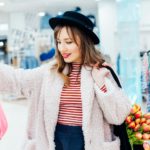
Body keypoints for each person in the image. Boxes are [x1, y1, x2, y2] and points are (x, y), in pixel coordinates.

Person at [0, 11, 131, 150]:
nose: (62, 48)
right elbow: (17, 79)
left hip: (91, 144)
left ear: (85, 42)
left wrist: (101, 84)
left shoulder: (102, 71)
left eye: (68, 42)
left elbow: (118, 115)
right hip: (56, 142)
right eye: (59, 42)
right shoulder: (50, 72)